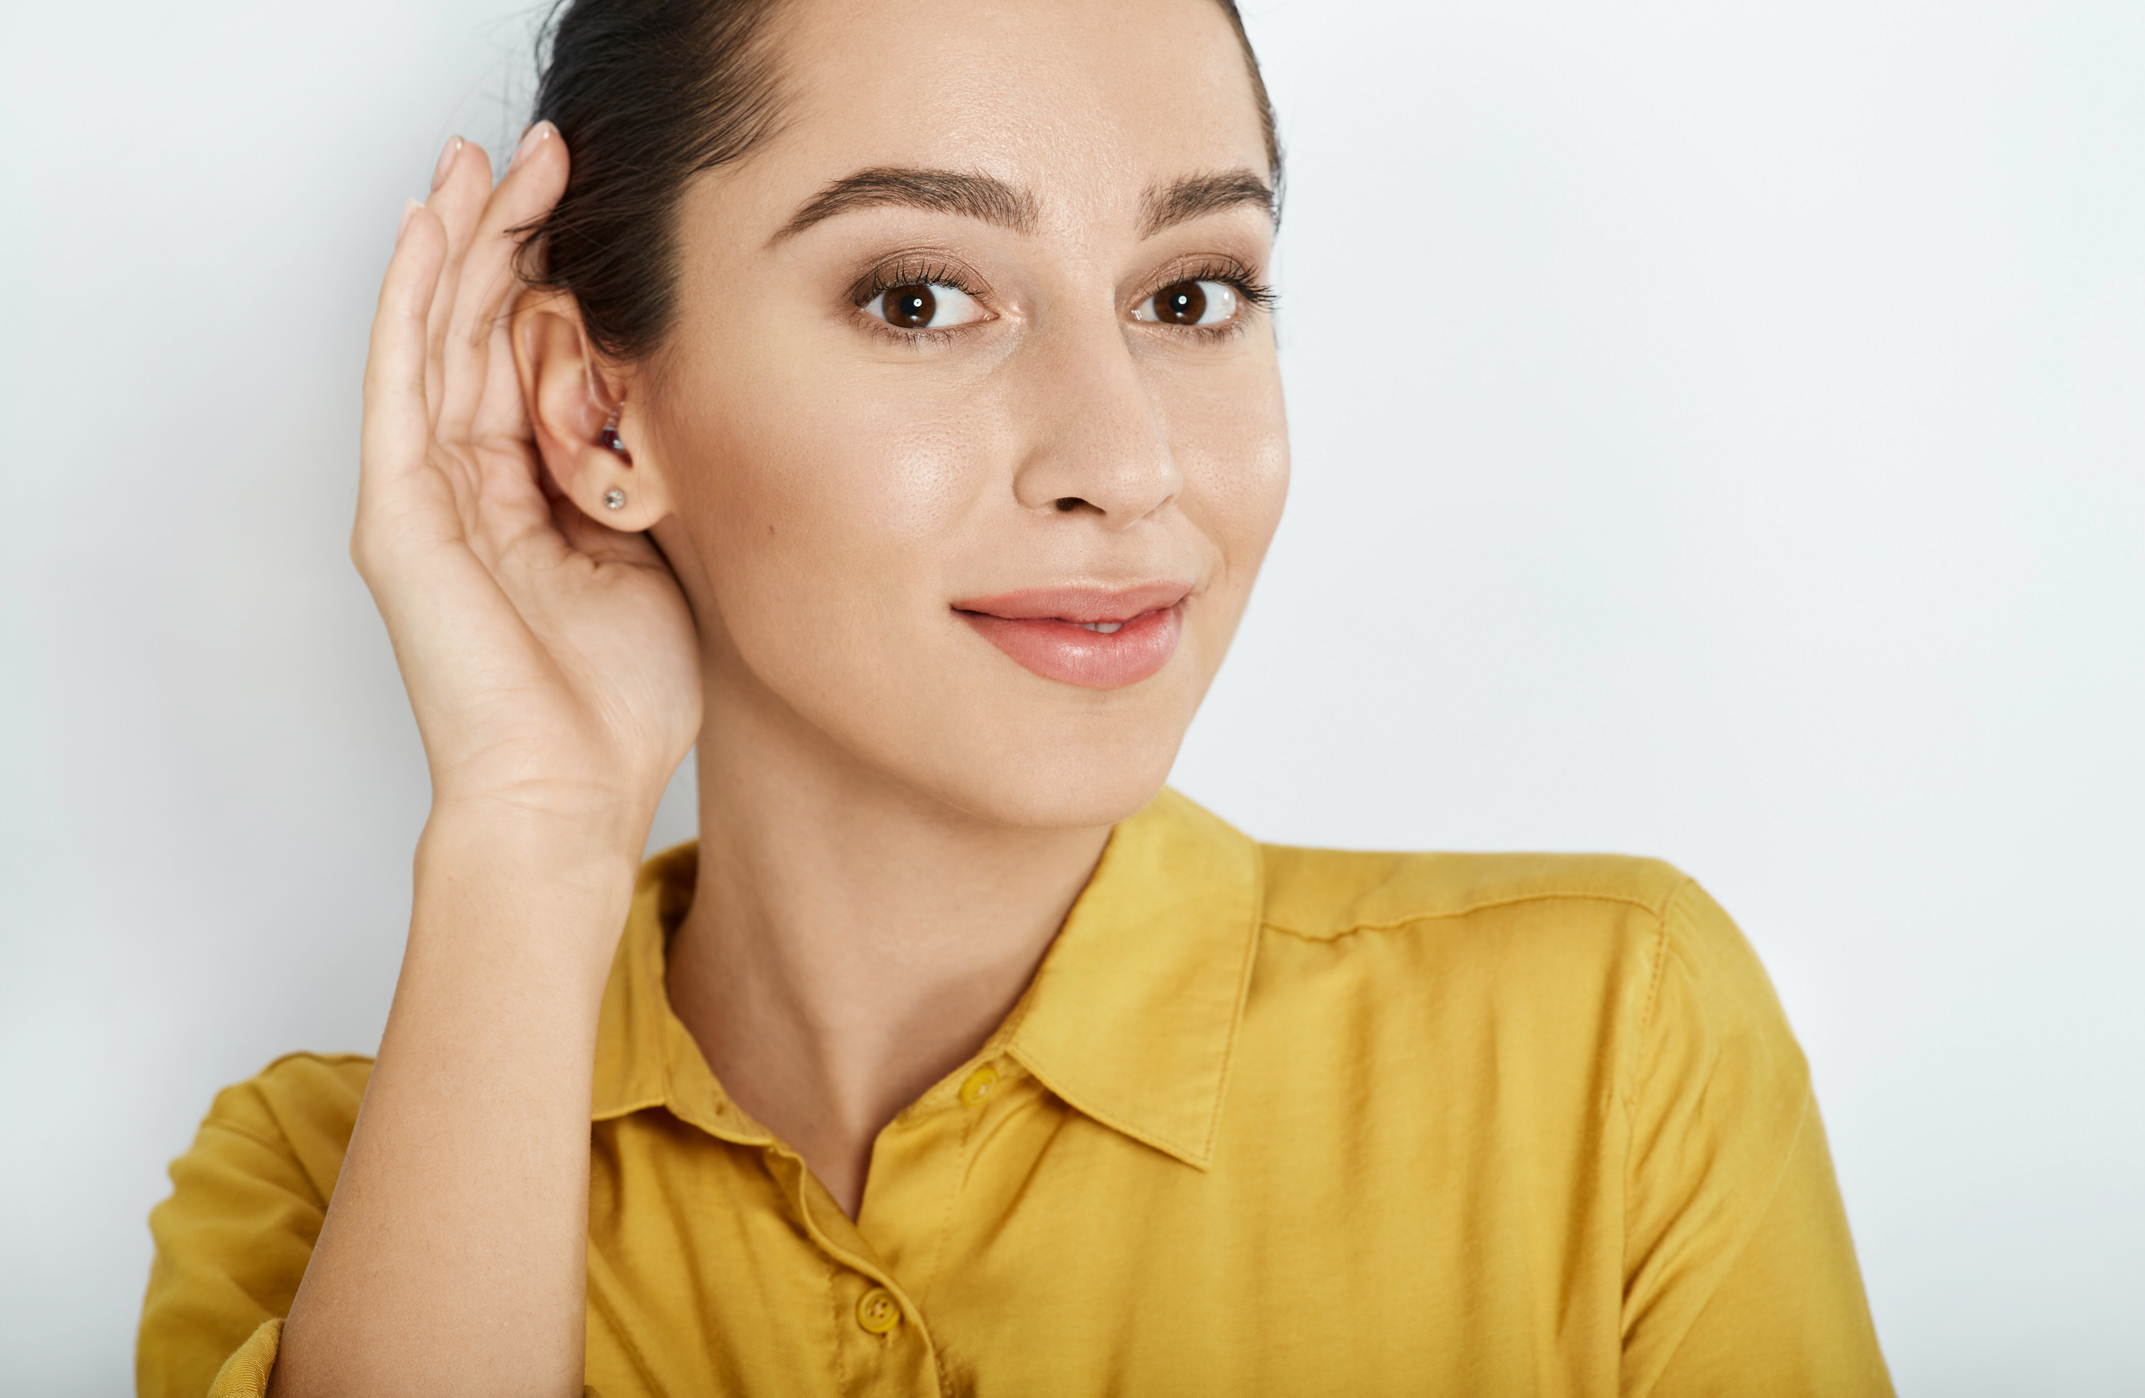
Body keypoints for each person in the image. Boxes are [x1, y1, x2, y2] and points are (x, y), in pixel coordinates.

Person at [136, 0, 1894, 1393]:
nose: (1125, 462)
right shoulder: (315, 1194)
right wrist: (532, 820)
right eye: (921, 297)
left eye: (1192, 293)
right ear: (604, 417)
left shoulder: (1605, 1048)